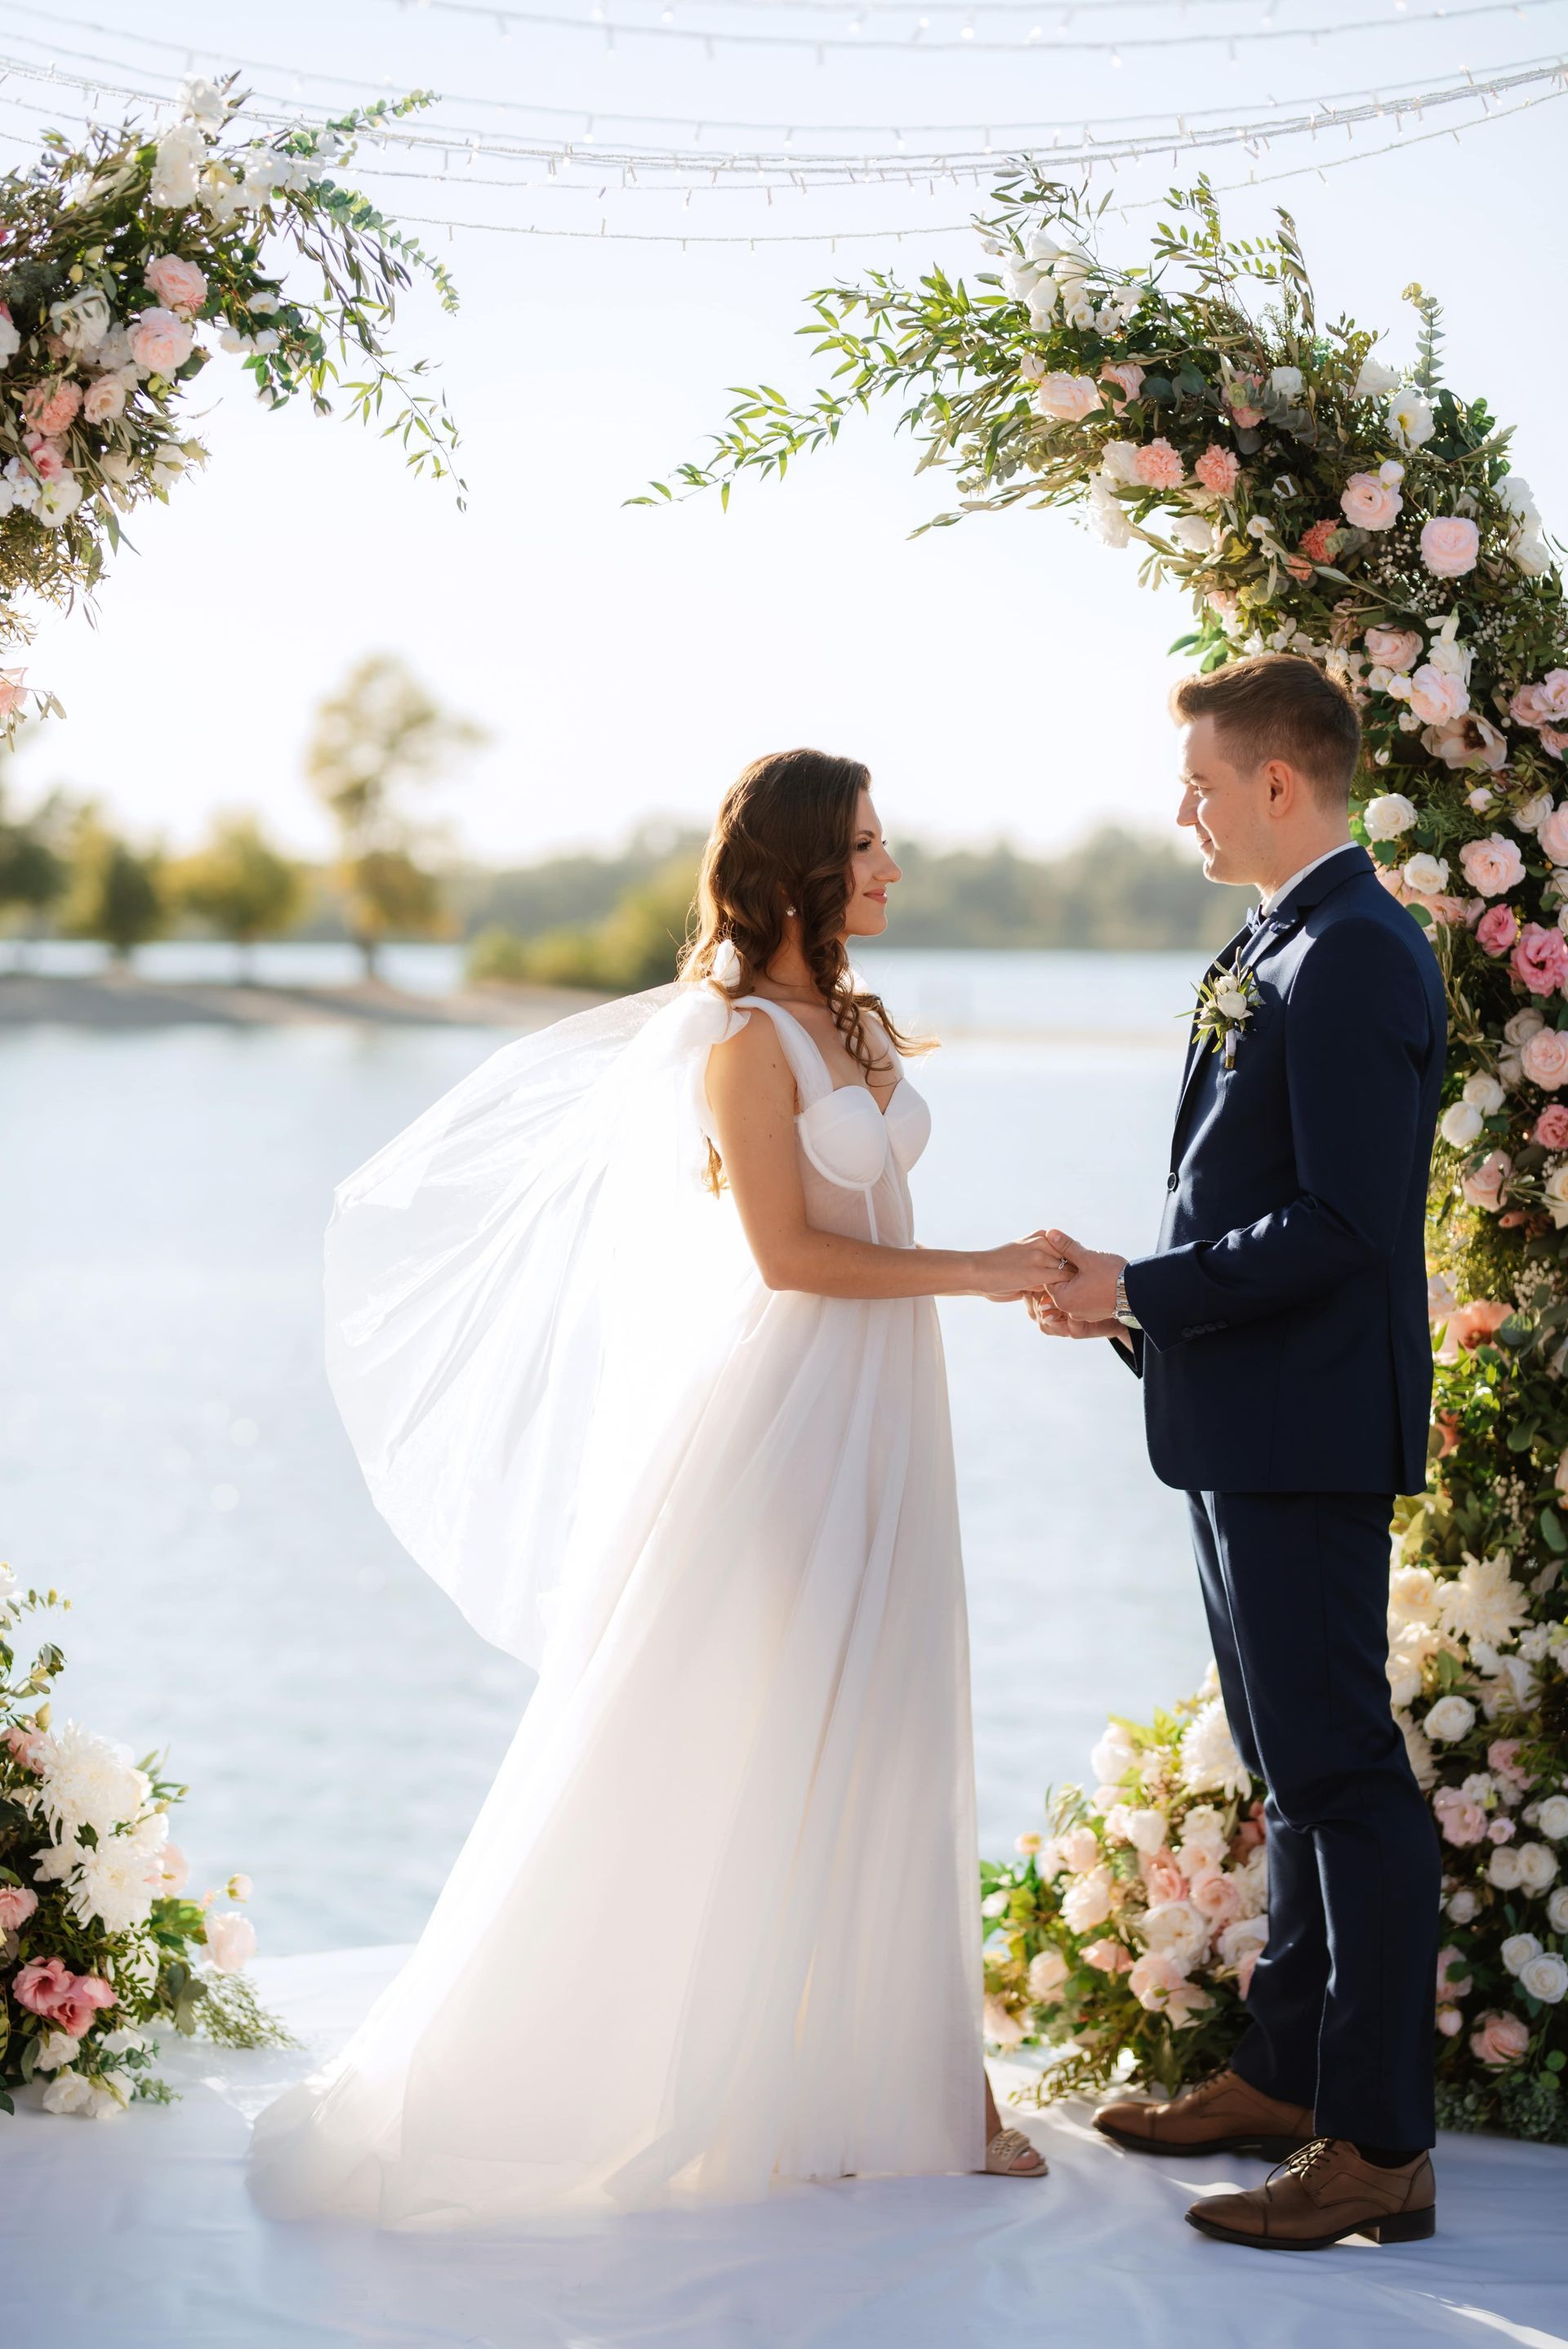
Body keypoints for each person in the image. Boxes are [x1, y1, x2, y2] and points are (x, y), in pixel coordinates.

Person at [248, 747, 1055, 2229]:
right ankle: (673, 2070)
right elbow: (790, 1258)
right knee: (763, 1729)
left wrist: (1007, 1269)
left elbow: (874, 1212)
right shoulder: (744, 1042)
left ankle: (909, 2082)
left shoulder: (850, 1020)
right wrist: (993, 1275)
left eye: (886, 846)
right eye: (868, 848)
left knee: (892, 1718)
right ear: (801, 869)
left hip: (886, 1403)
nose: (890, 871)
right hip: (796, 1407)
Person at [1036, 653, 1446, 2253]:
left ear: (1283, 781)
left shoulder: (1352, 952)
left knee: (1345, 1772)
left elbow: (1345, 1224)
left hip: (1307, 1429)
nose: (1183, 807)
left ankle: (1379, 2148)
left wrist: (1140, 1287)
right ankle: (1284, 2072)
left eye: (1201, 779)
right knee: (1291, 1765)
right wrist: (1129, 1306)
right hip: (1241, 1414)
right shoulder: (1278, 938)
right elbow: (1238, 1193)